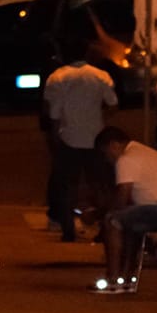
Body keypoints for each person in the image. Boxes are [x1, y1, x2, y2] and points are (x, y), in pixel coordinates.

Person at [89, 127, 157, 294]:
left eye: (106, 153)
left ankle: (113, 278)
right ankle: (126, 276)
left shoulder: (127, 159)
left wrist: (101, 214)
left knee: (112, 220)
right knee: (129, 222)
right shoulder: (143, 152)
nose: (108, 159)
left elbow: (122, 197)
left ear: (114, 145)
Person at [43, 36, 118, 242]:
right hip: (96, 137)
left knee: (68, 186)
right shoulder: (100, 76)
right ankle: (104, 228)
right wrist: (101, 117)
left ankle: (68, 230)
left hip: (69, 137)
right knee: (99, 186)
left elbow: (54, 115)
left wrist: (54, 138)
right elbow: (113, 103)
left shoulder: (57, 78)